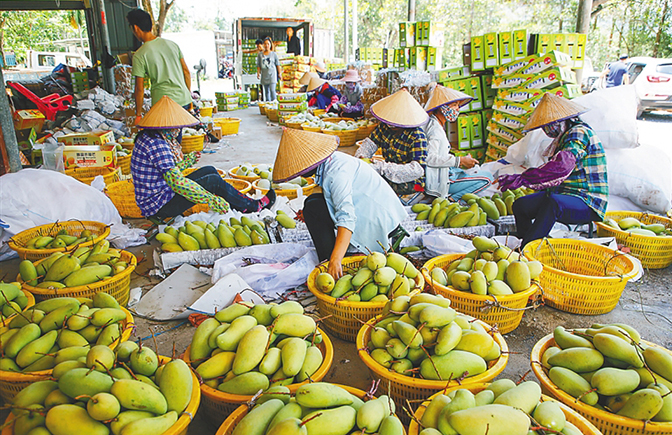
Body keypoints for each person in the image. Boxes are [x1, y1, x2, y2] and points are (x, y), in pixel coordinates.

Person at [272, 128, 407, 278]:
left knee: (313, 209)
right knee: (313, 204)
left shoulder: (336, 174)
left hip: (381, 225)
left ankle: (330, 264)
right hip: (378, 211)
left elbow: (347, 218)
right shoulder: (332, 160)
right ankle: (331, 258)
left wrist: (335, 259)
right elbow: (325, 193)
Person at [131, 96, 275, 218]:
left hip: (157, 197)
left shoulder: (147, 137)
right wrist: (210, 199)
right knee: (213, 181)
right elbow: (177, 183)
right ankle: (253, 206)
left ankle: (242, 204)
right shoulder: (157, 144)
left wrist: (186, 163)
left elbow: (163, 173)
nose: (178, 131)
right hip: (158, 206)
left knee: (209, 170)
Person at [497, 93, 608, 247]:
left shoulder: (579, 133)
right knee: (520, 205)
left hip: (586, 200)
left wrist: (524, 178)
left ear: (561, 121)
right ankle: (527, 241)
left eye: (547, 125)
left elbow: (562, 165)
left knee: (553, 204)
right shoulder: (563, 137)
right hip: (564, 194)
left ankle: (527, 250)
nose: (546, 130)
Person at [424, 84, 493, 200]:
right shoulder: (435, 130)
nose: (457, 109)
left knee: (477, 171)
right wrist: (459, 161)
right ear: (443, 107)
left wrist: (461, 161)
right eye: (454, 105)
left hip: (447, 172)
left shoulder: (438, 124)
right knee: (487, 178)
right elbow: (429, 158)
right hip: (439, 181)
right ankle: (453, 199)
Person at [355, 88, 429, 196]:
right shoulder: (385, 127)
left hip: (410, 182)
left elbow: (418, 170)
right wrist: (362, 156)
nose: (391, 126)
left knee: (373, 187)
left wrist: (384, 168)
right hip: (388, 174)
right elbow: (370, 143)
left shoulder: (417, 135)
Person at [127, 8, 192, 125]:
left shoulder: (140, 54)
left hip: (163, 105)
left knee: (165, 141)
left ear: (135, 28)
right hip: (184, 100)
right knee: (177, 138)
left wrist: (138, 114)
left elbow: (139, 88)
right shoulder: (172, 45)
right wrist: (189, 96)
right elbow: (186, 72)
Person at [257, 37, 281, 102]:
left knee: (272, 90)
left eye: (268, 44)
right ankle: (268, 106)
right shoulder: (260, 55)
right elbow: (258, 65)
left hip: (272, 75)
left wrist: (279, 73)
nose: (266, 45)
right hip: (264, 75)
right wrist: (258, 73)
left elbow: (277, 64)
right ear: (263, 45)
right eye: (265, 44)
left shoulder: (274, 54)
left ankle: (274, 104)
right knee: (266, 92)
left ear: (270, 45)